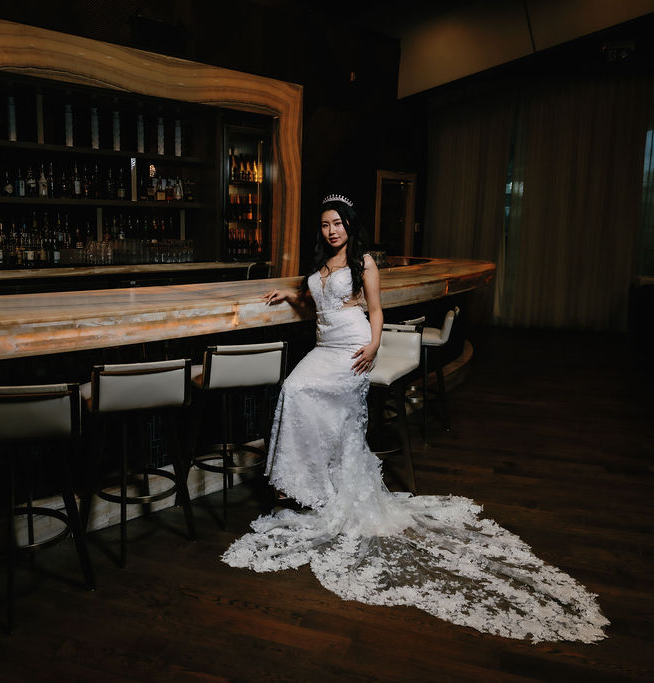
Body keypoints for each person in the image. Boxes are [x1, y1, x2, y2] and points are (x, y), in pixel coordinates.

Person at [222, 194, 609, 643]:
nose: (331, 231)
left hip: (351, 348)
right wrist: (292, 294)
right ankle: (308, 485)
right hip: (323, 347)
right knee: (294, 391)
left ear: (349, 225)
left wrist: (374, 345)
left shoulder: (364, 262)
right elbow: (318, 306)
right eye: (325, 224)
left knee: (310, 400)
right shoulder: (320, 264)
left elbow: (376, 309)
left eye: (338, 223)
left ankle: (317, 485)